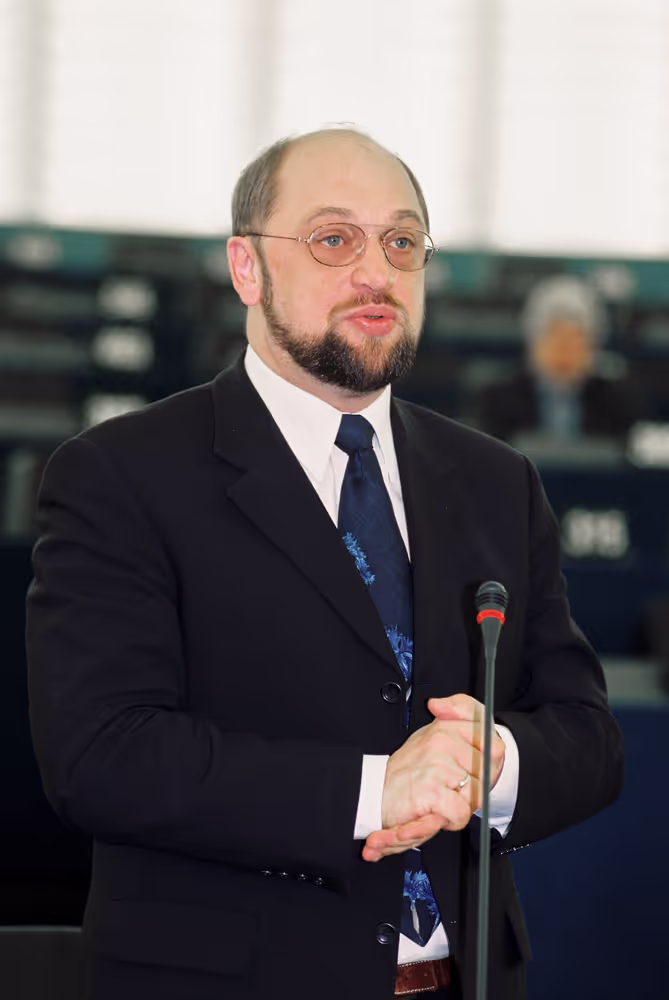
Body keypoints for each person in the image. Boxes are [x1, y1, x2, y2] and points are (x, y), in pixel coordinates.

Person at [26, 128, 624, 1000]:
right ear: (245, 268)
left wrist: (491, 762)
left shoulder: (497, 481)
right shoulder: (118, 475)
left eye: (402, 241)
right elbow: (101, 756)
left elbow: (588, 737)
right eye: (333, 239)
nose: (375, 273)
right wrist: (378, 788)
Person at [476, 275, 641, 444]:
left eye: (576, 340)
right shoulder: (497, 400)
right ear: (533, 342)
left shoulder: (617, 402)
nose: (565, 352)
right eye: (555, 339)